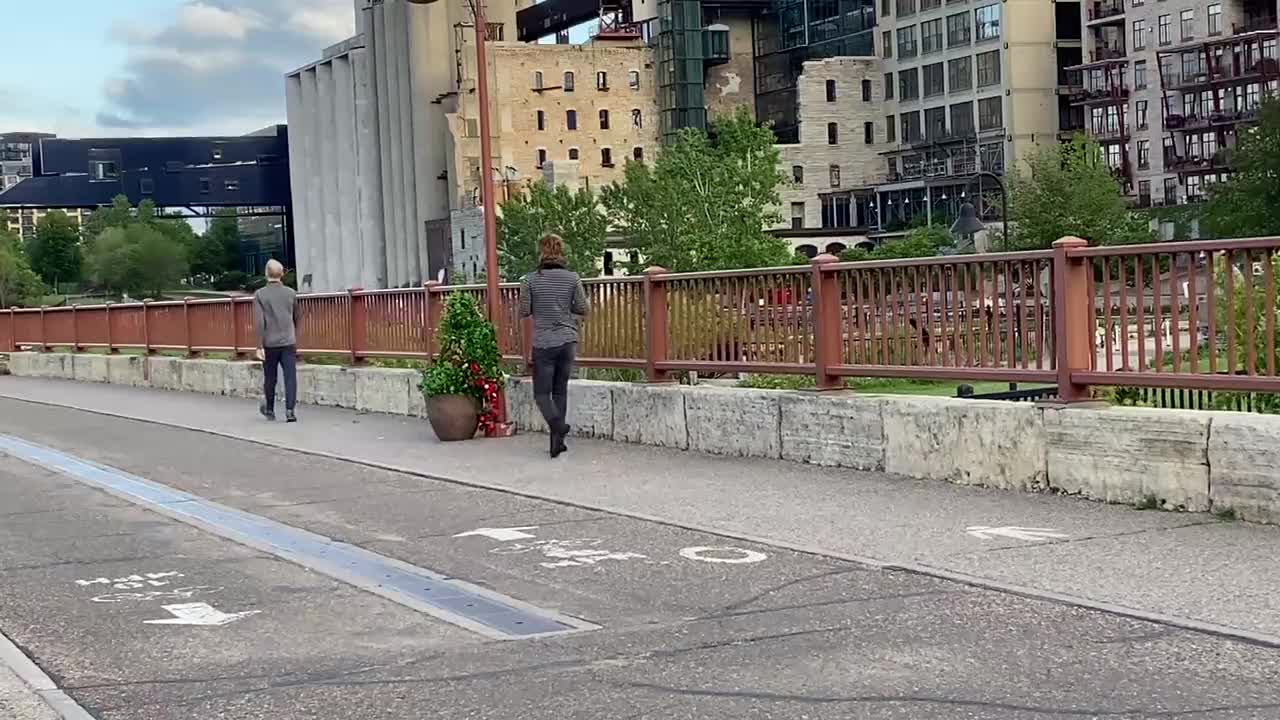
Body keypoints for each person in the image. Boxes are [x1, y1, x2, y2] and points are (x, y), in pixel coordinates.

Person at [519, 233, 589, 458]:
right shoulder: (572, 278)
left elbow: (524, 310)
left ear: (541, 252)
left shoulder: (530, 279)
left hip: (544, 343)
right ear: (561, 251)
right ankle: (556, 443)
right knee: (560, 391)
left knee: (541, 394)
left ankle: (558, 427)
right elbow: (583, 308)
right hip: (568, 340)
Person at [254, 259, 302, 423]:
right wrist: (292, 332)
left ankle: (269, 410)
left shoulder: (260, 294)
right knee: (290, 376)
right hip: (288, 341)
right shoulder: (291, 293)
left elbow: (260, 322)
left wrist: (259, 345)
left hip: (270, 342)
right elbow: (297, 316)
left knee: (270, 377)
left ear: (266, 273)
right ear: (282, 274)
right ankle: (290, 411)